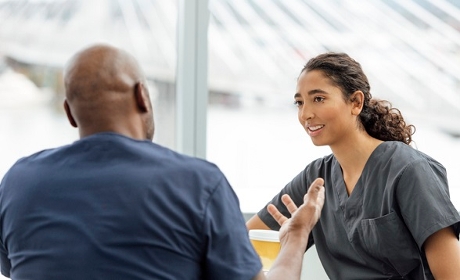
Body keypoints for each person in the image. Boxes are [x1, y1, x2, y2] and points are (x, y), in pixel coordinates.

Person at [0, 44, 326, 280]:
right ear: (143, 95)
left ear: (69, 113)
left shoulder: (17, 183)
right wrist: (297, 236)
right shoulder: (199, 184)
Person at [247, 52, 460, 279]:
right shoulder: (316, 180)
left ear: (356, 102)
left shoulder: (408, 170)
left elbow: (452, 275)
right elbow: (239, 241)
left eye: (318, 99)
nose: (305, 114)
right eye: (300, 102)